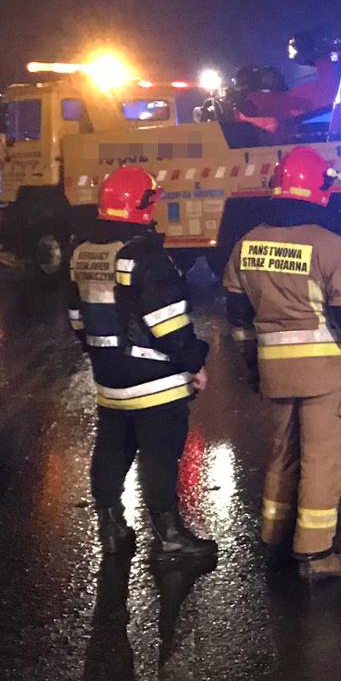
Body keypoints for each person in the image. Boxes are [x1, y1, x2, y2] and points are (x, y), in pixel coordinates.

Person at [222, 147, 341, 581]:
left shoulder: (246, 245)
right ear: (318, 190)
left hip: (274, 372)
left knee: (281, 455)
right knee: (322, 462)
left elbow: (238, 318)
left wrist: (253, 366)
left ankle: (273, 536)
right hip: (325, 375)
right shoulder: (331, 247)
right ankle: (314, 555)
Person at [67, 165, 215, 561]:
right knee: (160, 454)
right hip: (154, 381)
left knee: (112, 449)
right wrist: (195, 360)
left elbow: (77, 318)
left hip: (108, 377)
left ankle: (112, 526)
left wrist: (103, 354)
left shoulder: (82, 253)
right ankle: (170, 537)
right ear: (144, 205)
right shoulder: (145, 256)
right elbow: (168, 325)